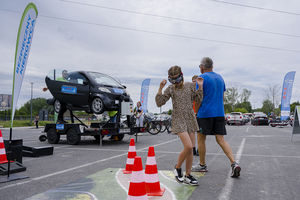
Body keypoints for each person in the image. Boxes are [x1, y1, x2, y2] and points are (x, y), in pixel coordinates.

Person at [192, 57, 241, 178]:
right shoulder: (220, 78)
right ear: (212, 66)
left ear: (202, 67)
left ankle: (202, 165)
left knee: (201, 138)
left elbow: (199, 98)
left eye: (200, 67)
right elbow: (222, 97)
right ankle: (233, 163)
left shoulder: (201, 78)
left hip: (205, 113)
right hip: (219, 112)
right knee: (221, 140)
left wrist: (195, 112)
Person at [155, 66, 203, 186]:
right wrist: (160, 88)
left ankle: (187, 175)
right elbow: (159, 102)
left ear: (181, 76)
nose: (175, 82)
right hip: (178, 119)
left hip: (190, 119)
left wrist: (200, 87)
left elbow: (198, 100)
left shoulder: (190, 86)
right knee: (188, 146)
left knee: (191, 149)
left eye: (176, 79)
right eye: (172, 80)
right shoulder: (171, 88)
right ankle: (177, 167)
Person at [192, 75, 199, 156]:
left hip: (199, 113)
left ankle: (199, 149)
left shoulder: (199, 90)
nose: (194, 83)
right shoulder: (190, 90)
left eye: (195, 81)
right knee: (192, 132)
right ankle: (193, 149)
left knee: (200, 134)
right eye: (193, 81)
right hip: (192, 114)